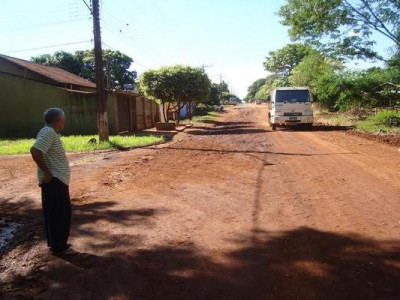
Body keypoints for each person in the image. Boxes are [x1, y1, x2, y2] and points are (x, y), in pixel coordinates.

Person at [30, 108, 72, 254]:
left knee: (55, 213)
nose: (64, 122)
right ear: (57, 120)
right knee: (59, 214)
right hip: (55, 180)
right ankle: (60, 247)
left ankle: (57, 244)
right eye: (63, 119)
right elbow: (35, 150)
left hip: (56, 180)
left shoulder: (49, 132)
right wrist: (47, 173)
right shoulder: (49, 133)